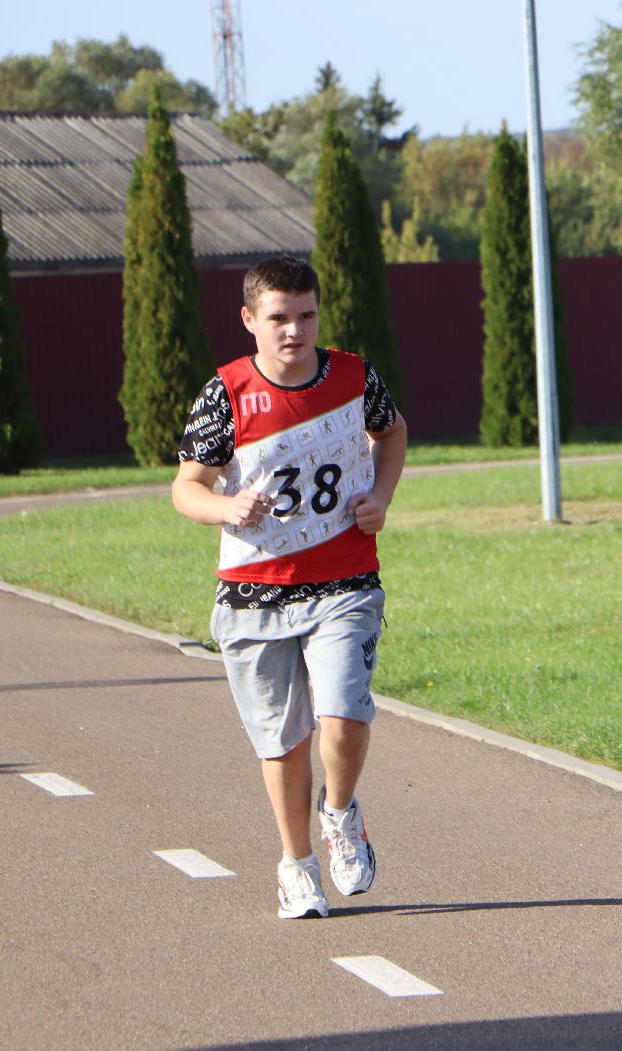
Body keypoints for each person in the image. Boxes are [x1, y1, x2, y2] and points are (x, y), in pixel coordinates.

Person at [172, 255, 407, 919]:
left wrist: (380, 497)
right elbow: (187, 486)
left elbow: (391, 433)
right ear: (250, 320)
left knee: (343, 710)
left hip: (345, 580)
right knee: (283, 740)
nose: (294, 331)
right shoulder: (226, 393)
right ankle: (296, 865)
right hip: (254, 593)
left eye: (306, 315)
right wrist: (227, 508)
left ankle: (340, 812)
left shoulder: (355, 377)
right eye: (279, 318)